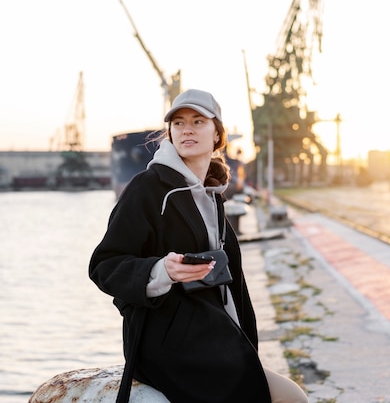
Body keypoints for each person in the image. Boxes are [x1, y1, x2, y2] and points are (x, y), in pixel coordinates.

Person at [89, 89, 308, 402]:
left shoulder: (212, 195)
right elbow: (104, 265)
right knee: (289, 398)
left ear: (217, 133)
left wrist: (246, 341)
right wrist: (161, 271)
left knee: (292, 397)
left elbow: (229, 282)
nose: (186, 129)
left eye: (197, 121)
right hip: (167, 341)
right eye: (178, 123)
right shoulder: (148, 188)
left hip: (216, 333)